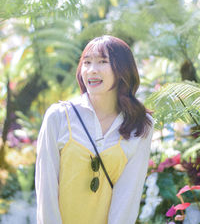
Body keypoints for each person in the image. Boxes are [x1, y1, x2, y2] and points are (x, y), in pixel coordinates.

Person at [35, 35, 154, 224]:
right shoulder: (58, 116)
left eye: (102, 62)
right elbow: (46, 190)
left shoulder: (140, 123)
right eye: (87, 62)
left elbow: (128, 197)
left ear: (123, 70)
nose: (91, 70)